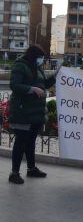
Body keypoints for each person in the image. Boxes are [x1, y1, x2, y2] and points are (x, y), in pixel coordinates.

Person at [8, 45, 58, 184]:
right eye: (39, 57)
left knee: (30, 142)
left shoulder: (36, 67)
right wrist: (32, 89)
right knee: (20, 143)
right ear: (33, 56)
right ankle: (14, 173)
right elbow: (14, 85)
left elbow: (44, 85)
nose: (41, 60)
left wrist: (54, 77)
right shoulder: (20, 66)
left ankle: (31, 169)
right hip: (22, 111)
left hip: (35, 113)